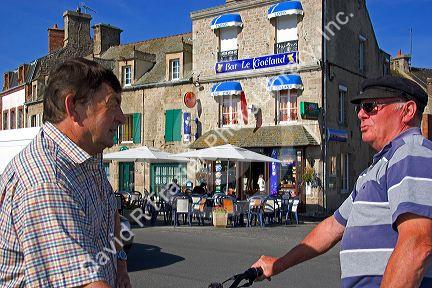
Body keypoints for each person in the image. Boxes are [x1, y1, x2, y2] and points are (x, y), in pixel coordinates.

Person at [252, 75, 432, 287]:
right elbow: (332, 228)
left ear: (407, 111)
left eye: (370, 106)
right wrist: (277, 264)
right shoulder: (375, 170)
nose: (361, 114)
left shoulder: (411, 152)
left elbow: (418, 243)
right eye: (359, 108)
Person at [0, 58, 131, 288]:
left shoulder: (86, 163)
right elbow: (82, 283)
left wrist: (119, 264)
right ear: (74, 108)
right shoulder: (46, 180)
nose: (121, 117)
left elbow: (113, 216)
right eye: (112, 104)